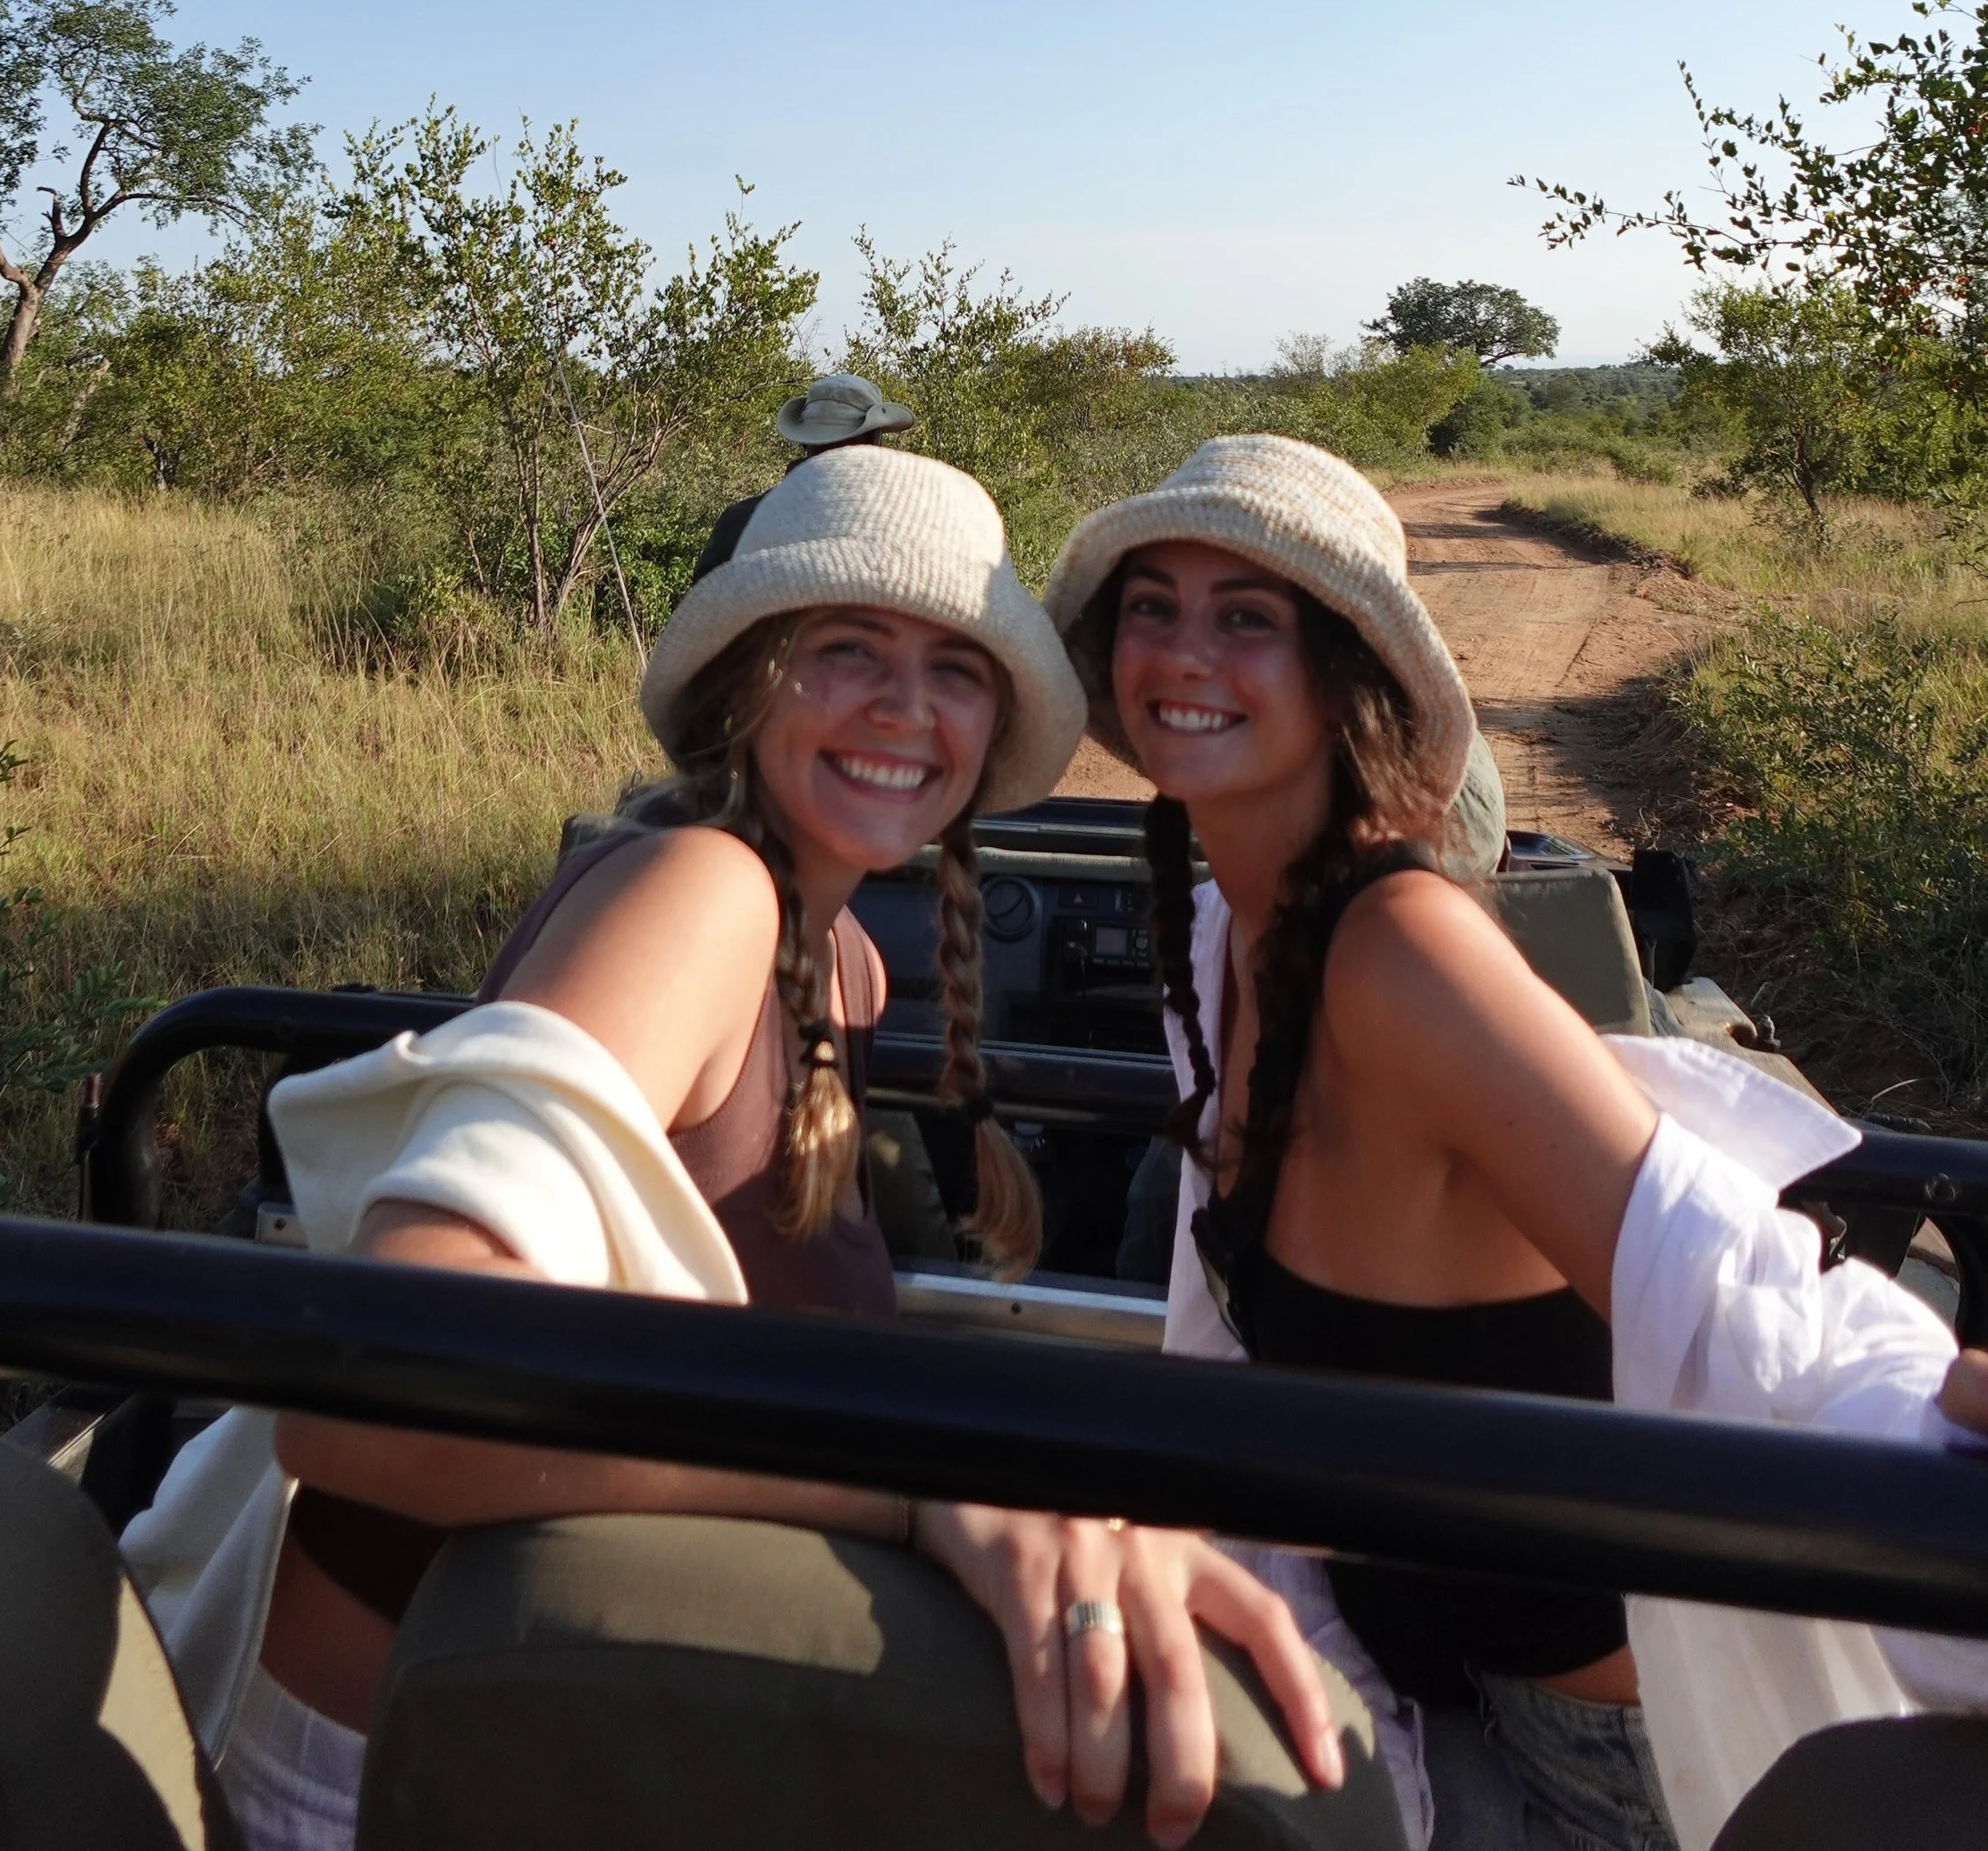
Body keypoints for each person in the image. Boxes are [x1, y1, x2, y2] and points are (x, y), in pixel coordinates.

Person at [230, 446, 1352, 1851]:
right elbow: (373, 1388)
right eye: (847, 648)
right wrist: (910, 1486)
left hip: (570, 1691)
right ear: (750, 677)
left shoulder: (838, 967)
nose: (906, 707)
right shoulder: (698, 897)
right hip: (403, 1765)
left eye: (955, 666)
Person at [1043, 436, 1988, 1851]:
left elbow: (1717, 1272)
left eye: (1249, 617)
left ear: (1348, 673)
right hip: (1422, 1672)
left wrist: (1925, 1439)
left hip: (1596, 1741)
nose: (1184, 653)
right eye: (1152, 607)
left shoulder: (1402, 952)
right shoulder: (1225, 935)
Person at [691, 367, 918, 582]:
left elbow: (705, 602)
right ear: (875, 441)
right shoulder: (901, 525)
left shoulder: (742, 519)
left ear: (804, 440)